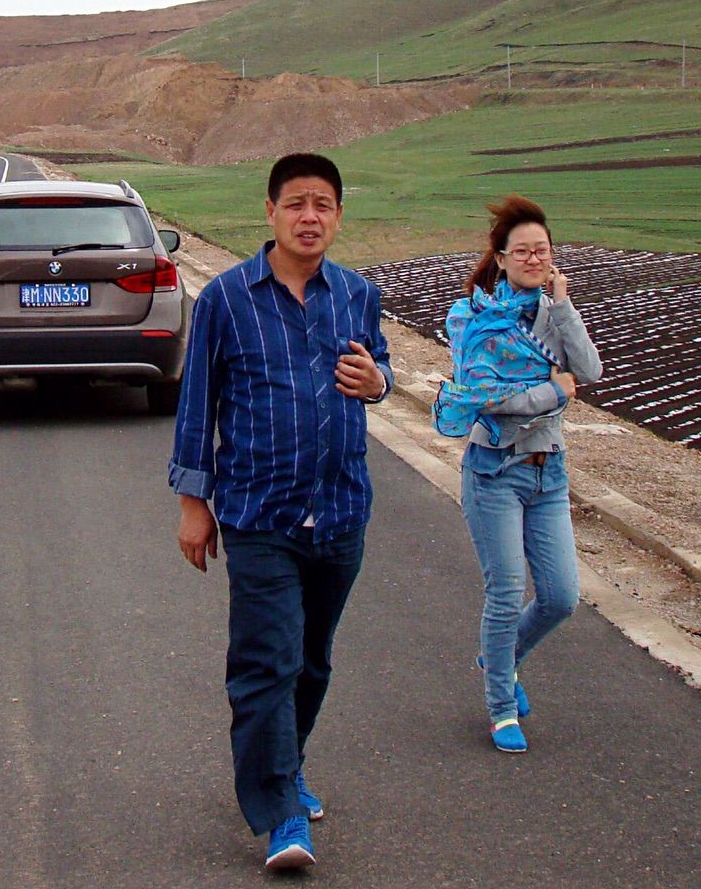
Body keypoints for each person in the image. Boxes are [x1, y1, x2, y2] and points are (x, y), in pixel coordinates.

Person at [170, 152, 394, 873]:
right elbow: (196, 404)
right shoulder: (227, 299)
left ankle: (285, 765)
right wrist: (192, 504)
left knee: (312, 662)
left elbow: (378, 370)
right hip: (257, 514)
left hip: (340, 510)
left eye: (323, 204)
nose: (309, 216)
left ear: (338, 215)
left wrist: (379, 381)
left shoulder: (358, 295)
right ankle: (282, 816)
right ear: (269, 212)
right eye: (295, 203)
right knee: (268, 662)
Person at [442, 194, 602, 753]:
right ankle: (500, 706)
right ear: (502, 257)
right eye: (523, 251)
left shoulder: (552, 315)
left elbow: (589, 370)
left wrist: (564, 308)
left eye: (543, 251)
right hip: (493, 473)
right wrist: (550, 392)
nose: (534, 259)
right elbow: (485, 398)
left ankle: (501, 657)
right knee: (506, 593)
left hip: (549, 473)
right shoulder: (475, 317)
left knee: (560, 598)